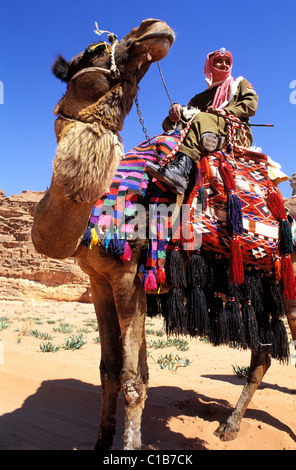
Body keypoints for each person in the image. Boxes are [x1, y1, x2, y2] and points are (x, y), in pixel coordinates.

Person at [146, 48, 259, 195]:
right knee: (169, 126)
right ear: (210, 65)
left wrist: (225, 111)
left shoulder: (240, 84)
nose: (224, 65)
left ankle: (181, 172)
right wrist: (176, 110)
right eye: (219, 61)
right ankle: (210, 140)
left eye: (227, 62)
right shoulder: (201, 97)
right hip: (206, 126)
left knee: (200, 118)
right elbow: (186, 113)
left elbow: (251, 105)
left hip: (234, 129)